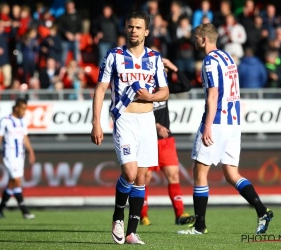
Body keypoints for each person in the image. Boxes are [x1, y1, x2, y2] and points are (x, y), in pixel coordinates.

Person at [177, 23, 273, 235]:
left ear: (203, 39)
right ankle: (262, 211)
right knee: (231, 173)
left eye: (196, 37)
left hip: (218, 121)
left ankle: (200, 226)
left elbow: (213, 95)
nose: (194, 41)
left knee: (199, 172)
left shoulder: (209, 61)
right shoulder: (227, 57)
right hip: (233, 122)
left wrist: (208, 126)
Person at [91, 11, 169, 245]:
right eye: (130, 27)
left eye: (138, 27)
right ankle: (117, 217)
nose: (133, 31)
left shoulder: (155, 58)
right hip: (124, 119)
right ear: (126, 29)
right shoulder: (114, 55)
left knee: (142, 177)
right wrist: (96, 121)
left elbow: (165, 92)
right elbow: (101, 89)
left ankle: (132, 232)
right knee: (130, 173)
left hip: (146, 120)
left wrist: (151, 96)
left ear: (146, 31)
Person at [140, 57, 195, 226]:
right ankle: (142, 216)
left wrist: (174, 67)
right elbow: (137, 112)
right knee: (145, 177)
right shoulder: (142, 89)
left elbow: (187, 86)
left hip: (165, 141)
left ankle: (180, 215)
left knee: (173, 175)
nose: (162, 73)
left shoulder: (164, 89)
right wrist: (156, 125)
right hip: (146, 139)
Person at [0, 98, 36, 219]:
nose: (24, 112)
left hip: (20, 156)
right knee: (17, 181)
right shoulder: (5, 121)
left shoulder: (22, 121)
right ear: (16, 108)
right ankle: (24, 210)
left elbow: (25, 138)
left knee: (11, 183)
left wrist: (30, 151)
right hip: (10, 156)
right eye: (23, 109)